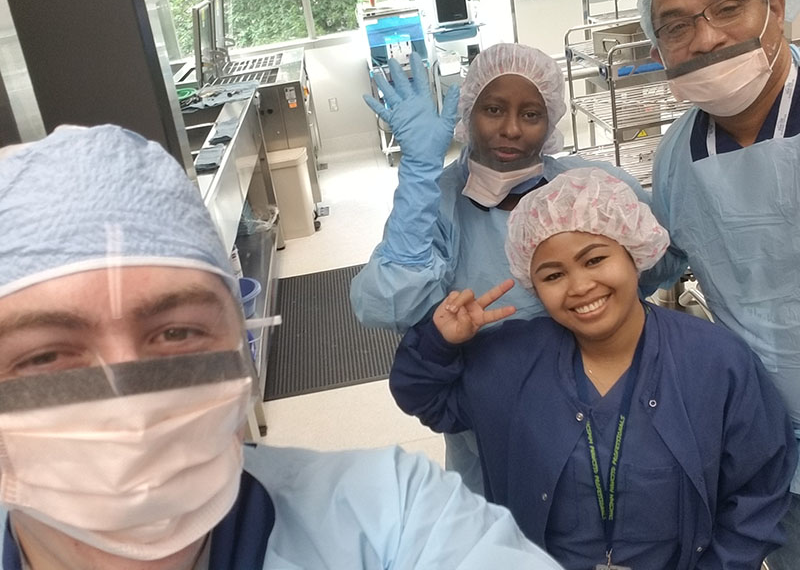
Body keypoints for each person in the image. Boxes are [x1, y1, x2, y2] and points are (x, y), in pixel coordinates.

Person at [0, 124, 569, 569]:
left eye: (176, 333)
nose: (129, 406)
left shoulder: (388, 516)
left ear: (240, 343)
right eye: (44, 356)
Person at [391, 167, 797, 570]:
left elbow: (759, 487)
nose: (580, 286)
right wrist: (438, 342)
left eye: (595, 259)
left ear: (634, 253)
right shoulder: (508, 362)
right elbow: (426, 399)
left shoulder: (715, 362)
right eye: (553, 275)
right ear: (534, 285)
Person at [350, 44, 668, 494]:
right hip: (492, 424)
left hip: (610, 404)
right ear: (467, 112)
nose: (511, 129)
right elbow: (387, 304)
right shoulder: (437, 202)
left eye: (531, 114)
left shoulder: (594, 187)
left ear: (551, 121)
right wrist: (418, 170)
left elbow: (653, 266)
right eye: (494, 109)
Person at [637, 0, 800, 566]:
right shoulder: (677, 159)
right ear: (659, 54)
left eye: (726, 6)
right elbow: (658, 259)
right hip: (771, 439)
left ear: (775, 9)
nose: (704, 40)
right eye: (677, 27)